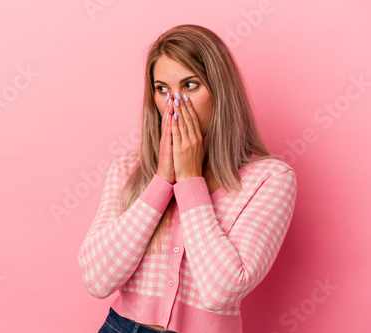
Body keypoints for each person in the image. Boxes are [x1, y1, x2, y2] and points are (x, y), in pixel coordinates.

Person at [77, 24, 297, 333]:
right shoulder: (127, 169)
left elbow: (221, 291)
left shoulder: (269, 179)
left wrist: (190, 180)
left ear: (220, 92)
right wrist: (162, 180)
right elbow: (97, 279)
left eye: (190, 85)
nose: (174, 104)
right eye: (162, 89)